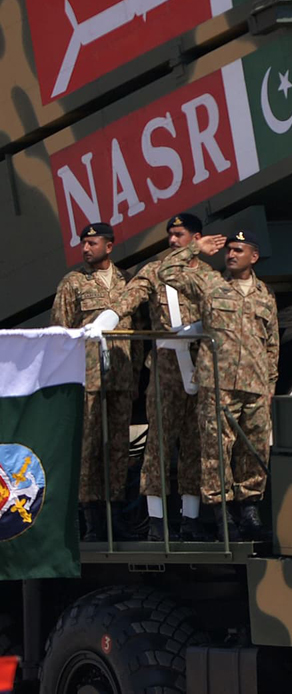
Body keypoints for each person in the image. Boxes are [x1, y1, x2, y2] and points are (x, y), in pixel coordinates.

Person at [158, 229, 279, 541]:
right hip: (217, 384)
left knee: (253, 449)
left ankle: (250, 511)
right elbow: (166, 271)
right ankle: (222, 516)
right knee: (216, 451)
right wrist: (194, 248)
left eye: (239, 250)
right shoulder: (210, 283)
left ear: (254, 256)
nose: (231, 254)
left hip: (254, 385)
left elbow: (272, 345)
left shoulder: (265, 294)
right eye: (229, 249)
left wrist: (270, 386)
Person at [116, 213, 218, 542]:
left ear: (196, 238)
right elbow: (129, 298)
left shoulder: (208, 276)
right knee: (159, 443)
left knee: (195, 444)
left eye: (179, 235)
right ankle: (157, 522)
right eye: (170, 235)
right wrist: (109, 316)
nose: (172, 240)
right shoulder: (155, 271)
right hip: (165, 369)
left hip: (200, 366)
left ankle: (190, 519)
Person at [51, 222, 136, 541]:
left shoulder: (127, 281)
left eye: (92, 243)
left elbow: (137, 331)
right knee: (88, 448)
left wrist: (135, 374)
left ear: (109, 246)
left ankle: (116, 515)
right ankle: (91, 518)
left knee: (118, 447)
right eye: (83, 243)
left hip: (121, 377)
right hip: (87, 379)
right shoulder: (73, 283)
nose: (85, 249)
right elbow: (60, 334)